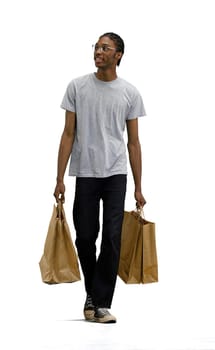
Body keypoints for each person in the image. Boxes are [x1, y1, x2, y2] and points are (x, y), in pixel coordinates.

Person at [54, 32, 146, 323]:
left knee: (112, 237)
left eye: (105, 47)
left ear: (118, 54)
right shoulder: (77, 87)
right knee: (85, 236)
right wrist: (59, 178)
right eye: (96, 47)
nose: (98, 51)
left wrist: (139, 187)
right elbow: (68, 134)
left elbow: (133, 142)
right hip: (86, 172)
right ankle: (94, 296)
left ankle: (99, 302)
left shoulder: (129, 93)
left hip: (116, 172)